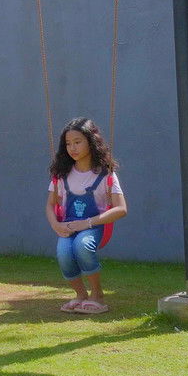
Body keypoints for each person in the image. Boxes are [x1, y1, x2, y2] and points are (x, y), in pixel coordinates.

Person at [46, 117, 127, 314]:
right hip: (67, 225)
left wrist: (88, 223)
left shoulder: (105, 174)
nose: (72, 148)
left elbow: (121, 208)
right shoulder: (62, 174)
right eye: (68, 144)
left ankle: (97, 295)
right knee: (64, 254)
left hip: (95, 225)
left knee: (82, 246)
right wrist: (56, 225)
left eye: (77, 142)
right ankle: (81, 295)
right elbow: (49, 205)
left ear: (91, 141)